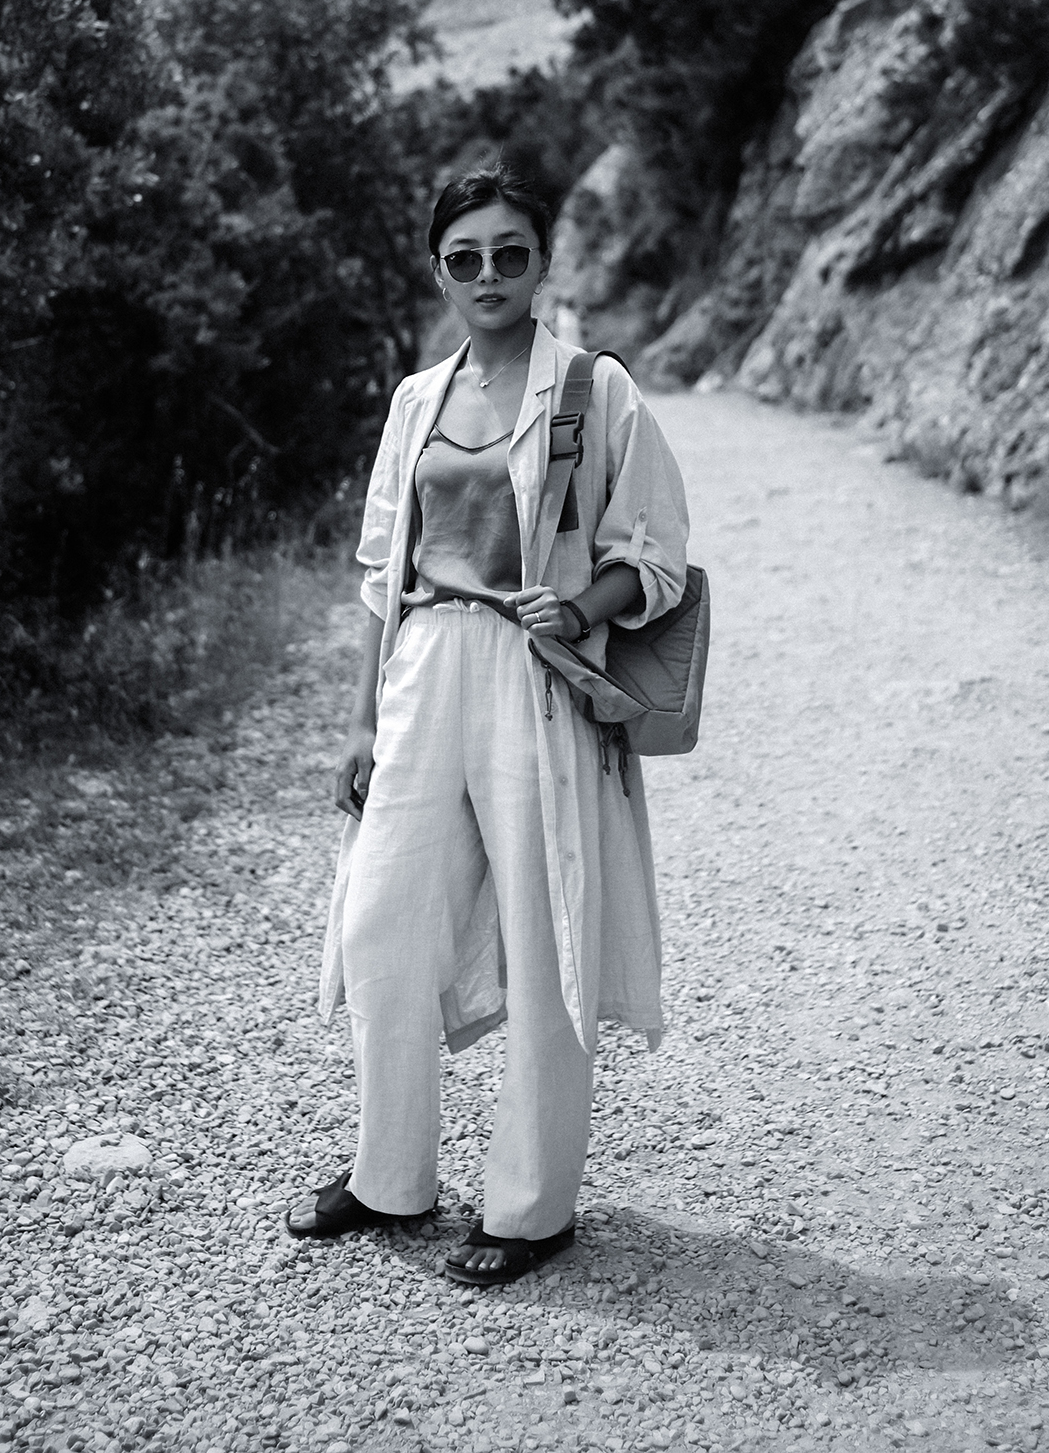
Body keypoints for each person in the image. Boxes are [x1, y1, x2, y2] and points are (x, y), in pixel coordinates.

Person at [286, 164, 690, 1286]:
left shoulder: (594, 390)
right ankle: (389, 1176)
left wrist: (586, 605)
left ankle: (530, 1206)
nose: (489, 274)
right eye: (465, 257)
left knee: (545, 929)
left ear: (542, 262)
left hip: (533, 671)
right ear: (440, 272)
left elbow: (655, 550)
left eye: (511, 252)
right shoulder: (418, 398)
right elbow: (383, 569)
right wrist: (361, 723)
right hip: (423, 666)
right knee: (382, 921)